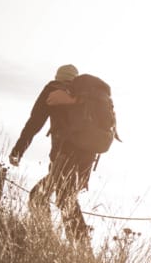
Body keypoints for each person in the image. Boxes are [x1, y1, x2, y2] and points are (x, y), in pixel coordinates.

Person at [8, 64, 94, 243]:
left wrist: (18, 150)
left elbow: (34, 123)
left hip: (64, 156)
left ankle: (48, 241)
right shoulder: (86, 98)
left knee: (41, 197)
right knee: (66, 199)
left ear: (58, 77)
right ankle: (78, 247)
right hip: (86, 160)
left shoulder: (53, 89)